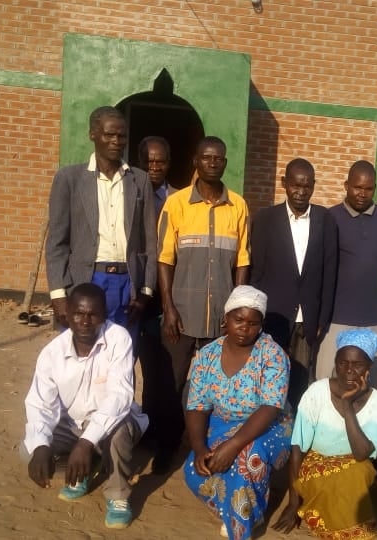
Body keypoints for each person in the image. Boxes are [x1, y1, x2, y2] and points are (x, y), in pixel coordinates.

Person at [21, 283, 149, 529]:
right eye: (78, 313)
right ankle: (83, 469)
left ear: (104, 315)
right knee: (30, 450)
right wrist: (40, 445)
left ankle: (118, 495)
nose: (85, 321)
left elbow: (119, 398)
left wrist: (85, 443)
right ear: (67, 313)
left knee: (118, 428)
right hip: (72, 426)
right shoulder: (52, 353)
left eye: (93, 314)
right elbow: (40, 404)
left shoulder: (118, 339)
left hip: (112, 424)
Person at [158, 136, 252, 451]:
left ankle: (209, 442)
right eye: (207, 157)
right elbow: (164, 259)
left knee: (216, 385)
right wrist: (168, 308)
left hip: (220, 317)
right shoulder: (176, 203)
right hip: (182, 314)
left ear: (225, 162)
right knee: (172, 381)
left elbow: (242, 261)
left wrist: (236, 310)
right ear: (196, 162)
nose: (213, 163)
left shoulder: (238, 205)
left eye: (219, 158)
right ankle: (167, 444)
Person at [182, 285, 292, 540]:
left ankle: (245, 522)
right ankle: (230, 508)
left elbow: (270, 407)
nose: (245, 328)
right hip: (223, 422)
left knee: (246, 461)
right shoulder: (207, 355)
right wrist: (199, 447)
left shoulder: (272, 355)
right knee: (195, 468)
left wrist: (233, 445)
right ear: (226, 318)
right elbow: (197, 405)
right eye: (238, 319)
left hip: (271, 423)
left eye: (253, 323)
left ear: (261, 325)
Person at [45, 106, 157, 331]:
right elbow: (57, 242)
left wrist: (145, 291)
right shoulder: (70, 179)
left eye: (122, 135)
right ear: (93, 134)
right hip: (86, 280)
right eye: (109, 135)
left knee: (122, 356)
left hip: (128, 283)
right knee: (82, 358)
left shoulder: (140, 180)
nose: (117, 141)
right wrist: (58, 295)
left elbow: (150, 241)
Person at [273, 328, 377, 539]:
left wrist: (347, 406)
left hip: (356, 467)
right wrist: (293, 503)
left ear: (369, 368)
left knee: (355, 474)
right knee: (339, 483)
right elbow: (298, 449)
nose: (348, 371)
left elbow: (362, 454)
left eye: (357, 365)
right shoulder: (317, 392)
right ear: (335, 363)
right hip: (316, 465)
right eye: (343, 363)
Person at [250, 158, 338, 408]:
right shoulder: (266, 218)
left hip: (306, 318)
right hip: (274, 314)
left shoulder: (325, 220)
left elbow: (329, 273)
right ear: (284, 184)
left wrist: (322, 319)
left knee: (299, 380)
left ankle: (292, 438)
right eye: (295, 185)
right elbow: (257, 271)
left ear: (314, 186)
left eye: (307, 186)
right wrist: (257, 313)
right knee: (269, 376)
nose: (301, 192)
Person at [315, 160, 377, 386]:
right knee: (326, 381)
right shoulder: (329, 217)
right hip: (336, 317)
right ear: (346, 185)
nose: (362, 193)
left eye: (368, 188)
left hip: (372, 317)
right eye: (357, 187)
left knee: (366, 384)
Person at [135, 135, 180, 473]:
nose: (154, 167)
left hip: (166, 294)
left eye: (160, 161)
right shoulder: (128, 193)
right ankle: (138, 427)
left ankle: (163, 435)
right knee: (130, 365)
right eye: (148, 161)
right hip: (133, 294)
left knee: (163, 368)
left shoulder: (178, 200)